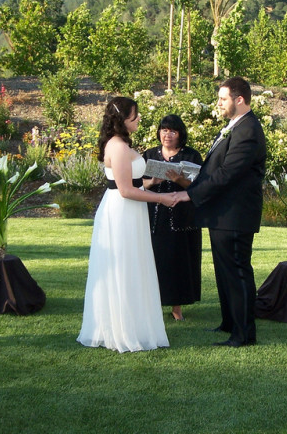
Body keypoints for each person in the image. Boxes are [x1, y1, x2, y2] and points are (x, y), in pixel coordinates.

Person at [77, 97, 177, 352]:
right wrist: (162, 198)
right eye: (135, 115)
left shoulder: (122, 144)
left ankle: (134, 324)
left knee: (134, 265)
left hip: (130, 211)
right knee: (122, 266)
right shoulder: (118, 147)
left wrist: (150, 183)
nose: (139, 118)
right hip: (121, 213)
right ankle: (121, 330)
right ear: (122, 119)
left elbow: (131, 184)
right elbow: (124, 190)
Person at [174, 77, 267, 348]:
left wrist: (190, 193)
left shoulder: (248, 130)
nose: (219, 103)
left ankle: (244, 334)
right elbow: (213, 169)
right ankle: (229, 322)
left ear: (240, 100)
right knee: (224, 271)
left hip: (235, 214)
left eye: (223, 98)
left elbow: (228, 174)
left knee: (237, 272)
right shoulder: (233, 126)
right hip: (222, 213)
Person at [142, 114, 203, 322]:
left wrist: (180, 180)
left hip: (182, 219)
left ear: (180, 134)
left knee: (178, 261)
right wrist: (152, 181)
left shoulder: (192, 156)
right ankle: (150, 305)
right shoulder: (149, 154)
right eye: (164, 130)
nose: (167, 135)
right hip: (154, 217)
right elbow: (138, 184)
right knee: (153, 260)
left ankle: (177, 308)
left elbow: (201, 187)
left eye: (172, 131)